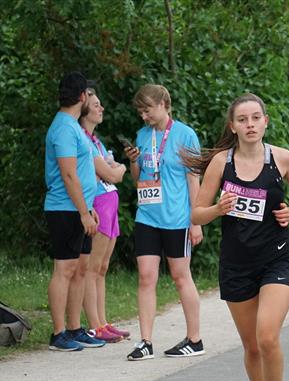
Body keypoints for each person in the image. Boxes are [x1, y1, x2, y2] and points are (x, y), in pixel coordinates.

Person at [184, 93, 289, 381]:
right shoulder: (221, 164)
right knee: (252, 346)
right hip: (237, 265)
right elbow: (196, 213)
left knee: (267, 336)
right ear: (233, 126)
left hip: (278, 259)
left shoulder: (281, 158)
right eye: (243, 119)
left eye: (256, 117)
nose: (250, 124)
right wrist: (218, 209)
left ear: (265, 122)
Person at [123, 84, 205, 361]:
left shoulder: (185, 134)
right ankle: (145, 342)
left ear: (162, 104)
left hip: (177, 218)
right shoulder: (142, 135)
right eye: (140, 112)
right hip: (147, 215)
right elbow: (138, 178)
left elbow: (193, 179)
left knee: (181, 277)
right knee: (146, 277)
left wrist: (196, 220)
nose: (143, 116)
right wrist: (134, 162)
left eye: (147, 110)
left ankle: (195, 339)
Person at [43, 72, 106, 351]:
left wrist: (89, 209)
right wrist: (83, 212)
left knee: (81, 268)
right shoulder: (63, 128)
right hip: (65, 209)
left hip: (81, 208)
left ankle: (74, 328)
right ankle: (58, 334)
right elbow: (69, 175)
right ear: (82, 97)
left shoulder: (73, 126)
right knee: (65, 269)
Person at [78, 89, 131, 342]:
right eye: (96, 105)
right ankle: (94, 325)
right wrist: (118, 168)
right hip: (99, 204)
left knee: (102, 267)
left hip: (110, 205)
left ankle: (103, 321)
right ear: (84, 109)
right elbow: (112, 174)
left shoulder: (96, 141)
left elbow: (111, 171)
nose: (101, 109)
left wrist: (115, 169)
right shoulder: (83, 140)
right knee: (91, 267)